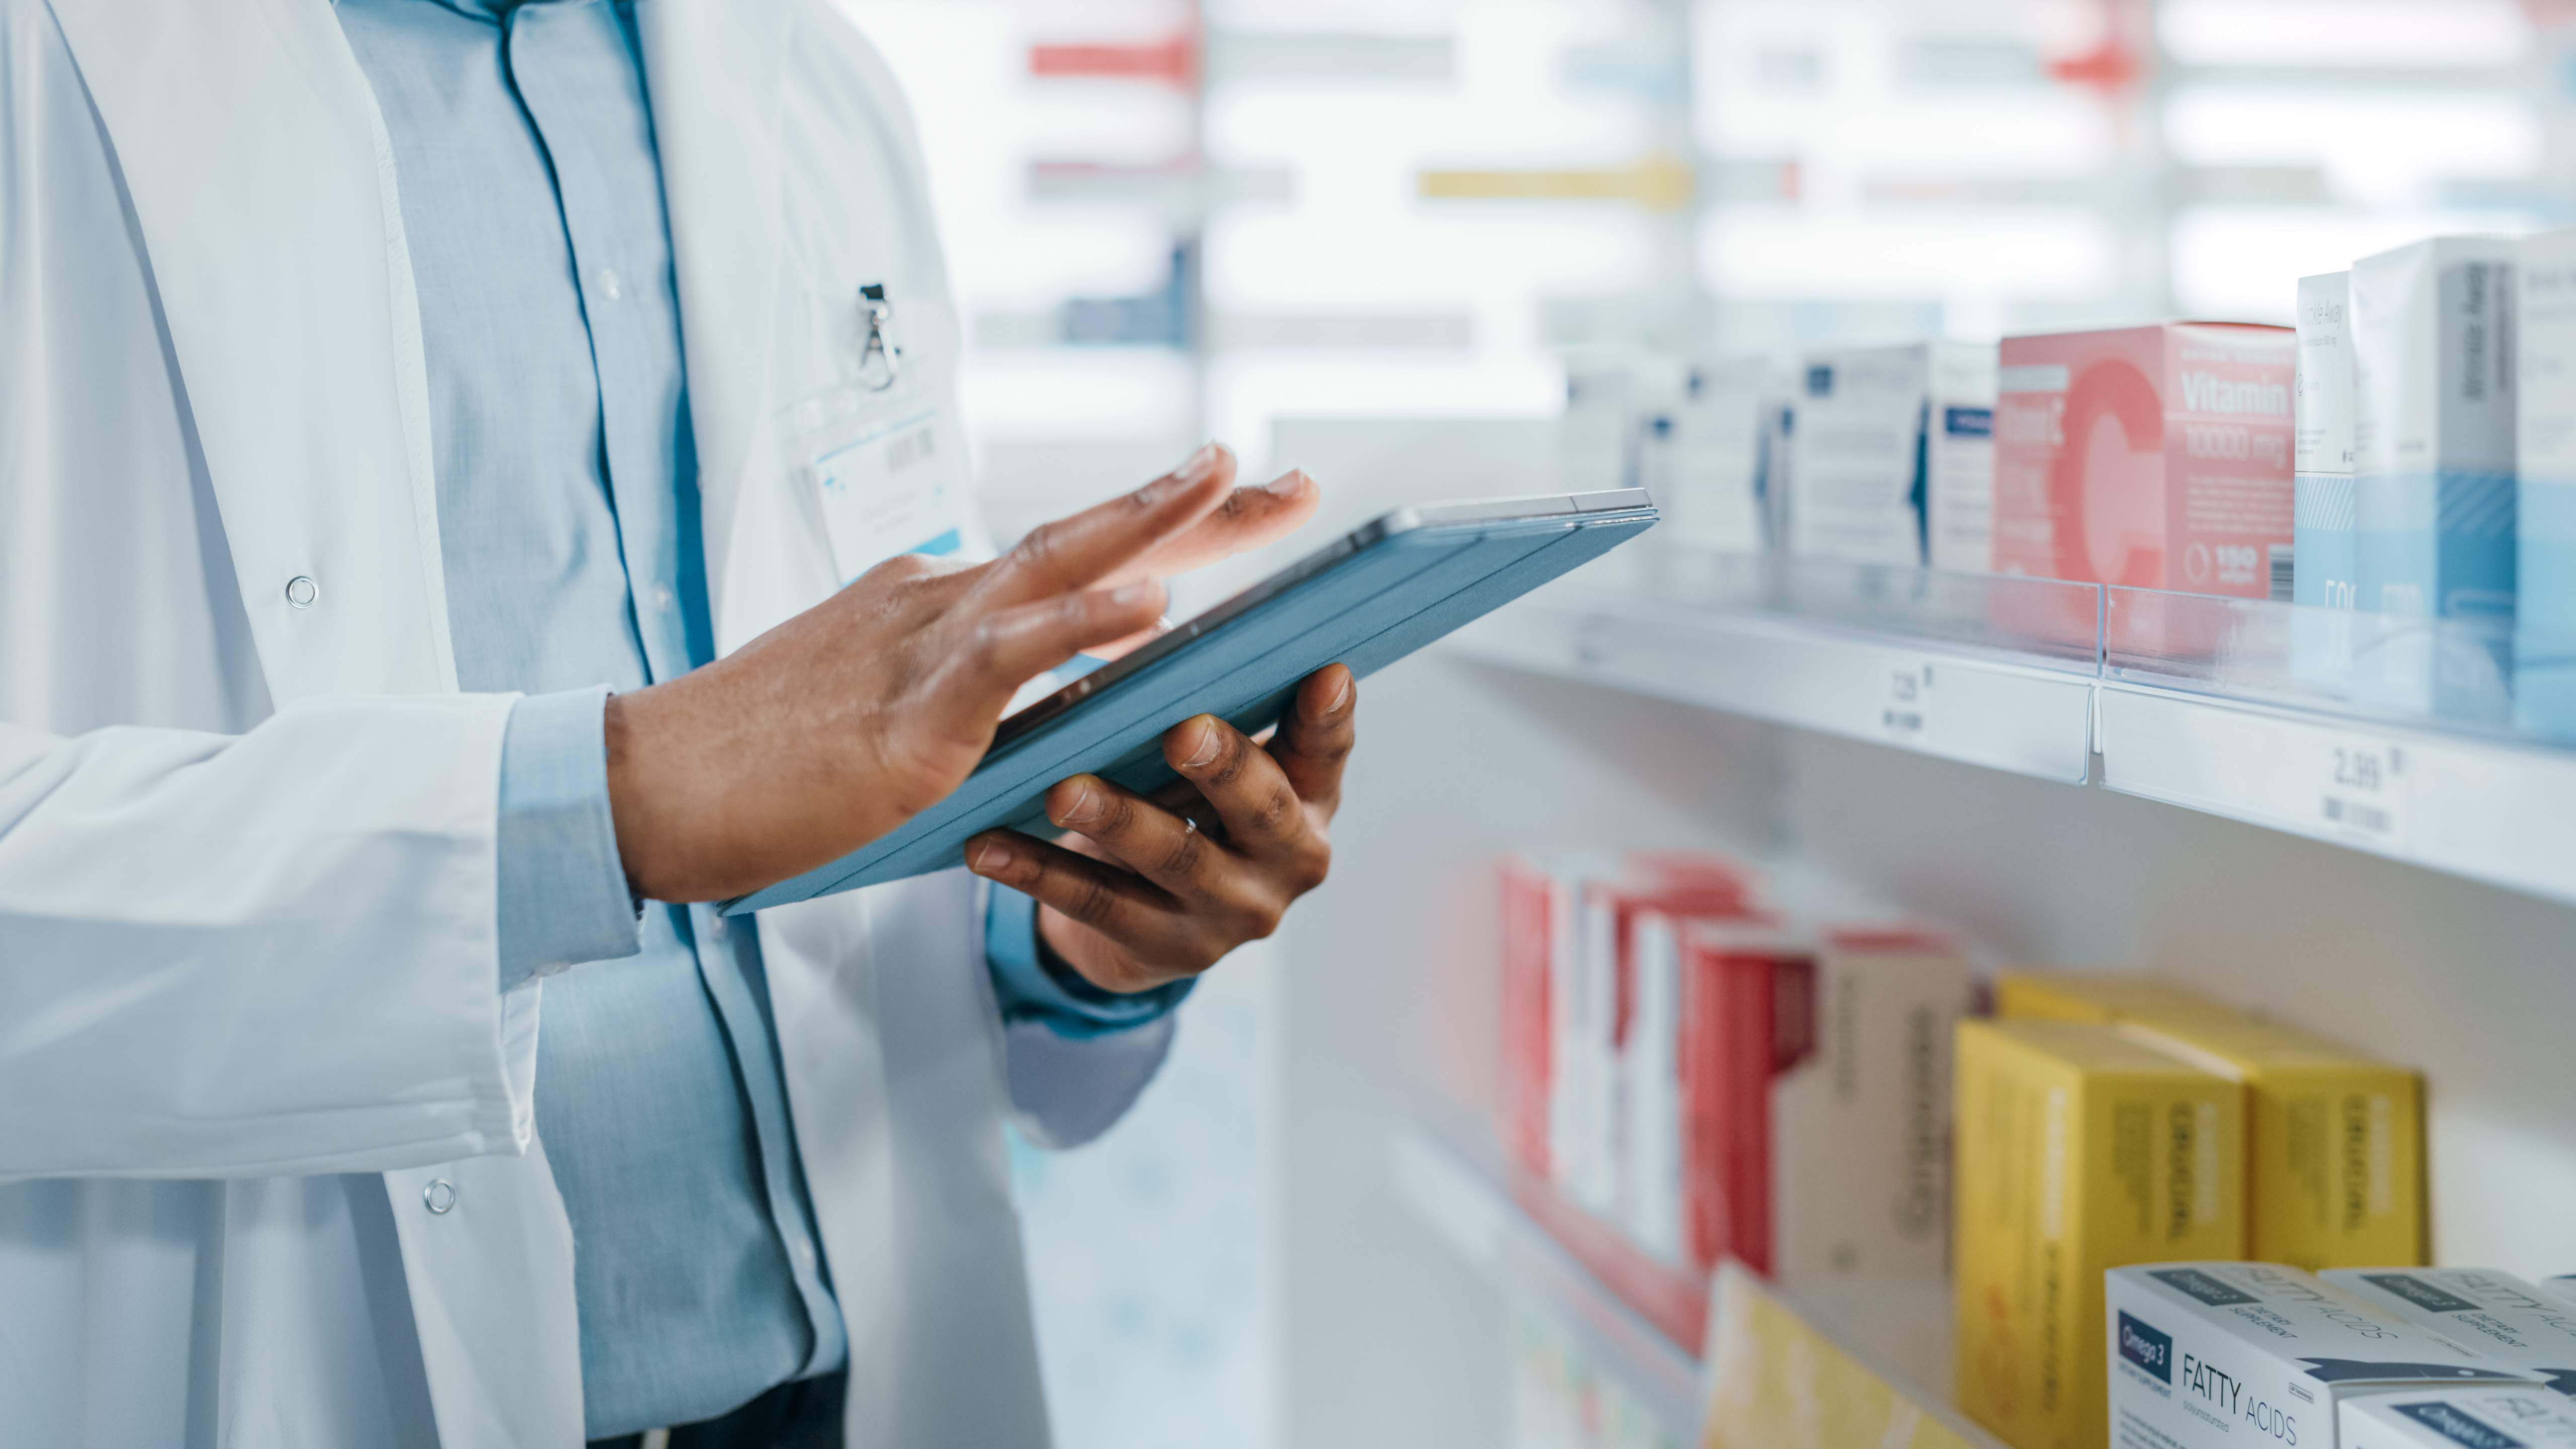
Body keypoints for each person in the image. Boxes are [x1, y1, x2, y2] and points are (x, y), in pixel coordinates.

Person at [0, 1, 1357, 1444]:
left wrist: (1072, 926)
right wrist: (609, 798)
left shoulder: (817, 82)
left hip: (829, 1394)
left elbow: (849, 817)